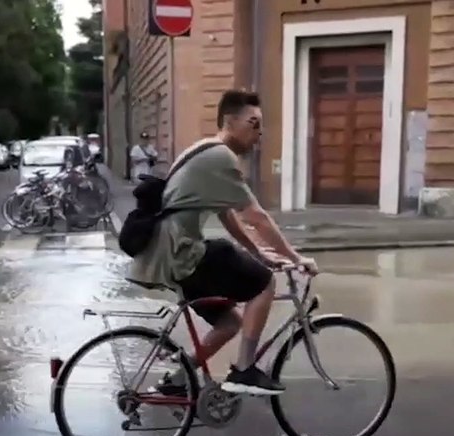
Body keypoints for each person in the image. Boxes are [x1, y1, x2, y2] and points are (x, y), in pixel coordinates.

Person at [127, 89, 318, 396]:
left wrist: (259, 252)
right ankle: (244, 370)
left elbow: (227, 213)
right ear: (230, 121)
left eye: (261, 126)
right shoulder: (220, 156)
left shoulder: (204, 150)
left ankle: (179, 379)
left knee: (230, 323)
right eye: (253, 124)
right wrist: (296, 258)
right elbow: (256, 216)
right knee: (263, 282)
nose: (259, 133)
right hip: (181, 254)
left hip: (170, 254)